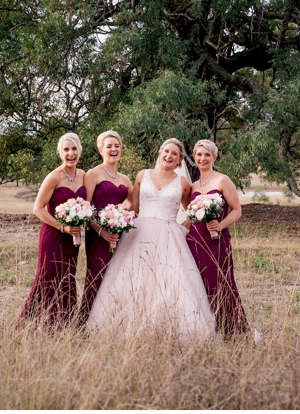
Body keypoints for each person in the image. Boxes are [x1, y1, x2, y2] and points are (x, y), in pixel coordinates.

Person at [87, 138, 215, 340]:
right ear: (160, 152)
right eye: (166, 151)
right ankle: (129, 328)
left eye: (174, 153)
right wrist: (115, 218)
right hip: (140, 232)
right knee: (132, 279)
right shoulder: (142, 175)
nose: (169, 156)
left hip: (169, 236)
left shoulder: (182, 183)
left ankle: (167, 328)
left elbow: (192, 211)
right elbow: (134, 207)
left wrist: (182, 228)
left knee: (170, 281)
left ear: (180, 159)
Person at [17, 132, 88, 329]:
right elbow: (37, 209)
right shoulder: (53, 177)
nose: (70, 153)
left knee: (67, 276)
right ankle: (41, 324)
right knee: (48, 277)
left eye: (74, 149)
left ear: (80, 151)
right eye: (66, 149)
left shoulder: (83, 175)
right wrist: (62, 226)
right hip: (53, 235)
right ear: (59, 152)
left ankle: (64, 324)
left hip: (73, 237)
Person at [185, 139, 251, 339]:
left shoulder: (222, 180)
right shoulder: (193, 185)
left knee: (221, 283)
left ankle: (231, 329)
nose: (202, 158)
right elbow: (189, 217)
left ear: (214, 157)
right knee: (200, 284)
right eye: (199, 155)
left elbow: (237, 210)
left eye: (207, 155)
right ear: (194, 157)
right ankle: (208, 328)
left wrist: (220, 226)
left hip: (217, 242)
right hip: (194, 241)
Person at [80, 130, 131, 322]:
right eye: (109, 146)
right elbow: (86, 209)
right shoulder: (93, 174)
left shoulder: (125, 179)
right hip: (97, 235)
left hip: (118, 235)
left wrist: (123, 219)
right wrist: (101, 231)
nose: (114, 149)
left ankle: (111, 320)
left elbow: (135, 204)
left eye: (117, 146)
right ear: (101, 150)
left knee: (116, 275)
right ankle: (87, 320)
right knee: (97, 274)